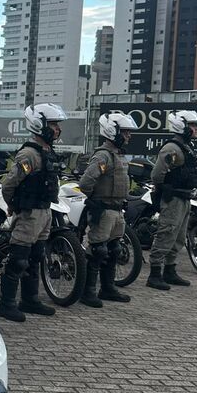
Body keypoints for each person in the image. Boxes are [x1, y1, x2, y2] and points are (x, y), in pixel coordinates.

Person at [0, 103, 67, 323]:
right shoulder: (28, 154)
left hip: (45, 211)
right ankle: (6, 304)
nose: (57, 129)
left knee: (36, 257)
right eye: (53, 124)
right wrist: (13, 205)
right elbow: (9, 184)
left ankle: (30, 299)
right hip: (29, 213)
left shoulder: (48, 153)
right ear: (40, 125)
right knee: (19, 259)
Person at [78, 113, 138, 308]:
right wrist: (96, 200)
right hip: (103, 210)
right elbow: (86, 182)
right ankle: (88, 291)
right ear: (112, 131)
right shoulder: (103, 155)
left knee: (114, 249)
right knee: (98, 250)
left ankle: (108, 287)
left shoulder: (118, 155)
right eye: (125, 132)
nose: (128, 136)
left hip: (116, 209)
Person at [147, 110, 197, 291]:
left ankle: (169, 271)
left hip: (185, 197)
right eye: (193, 125)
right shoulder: (172, 148)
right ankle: (155, 274)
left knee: (179, 237)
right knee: (166, 233)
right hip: (173, 199)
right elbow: (157, 175)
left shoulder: (185, 147)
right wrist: (166, 187)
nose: (196, 129)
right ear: (182, 126)